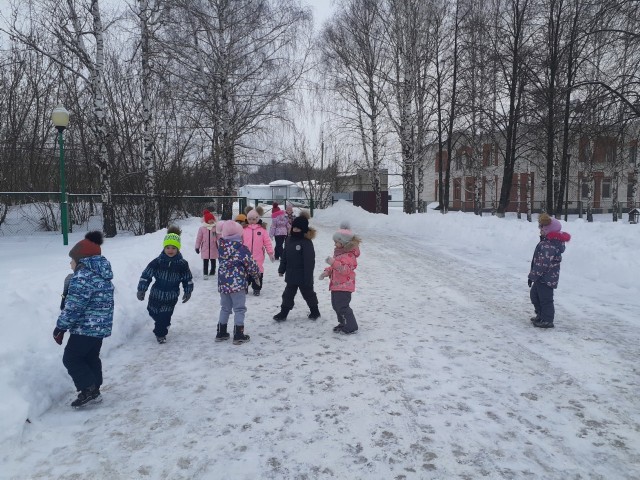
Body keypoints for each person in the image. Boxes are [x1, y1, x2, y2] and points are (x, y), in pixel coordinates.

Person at [53, 231, 114, 408]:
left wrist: (60, 327)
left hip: (85, 328)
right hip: (100, 327)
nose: (70, 263)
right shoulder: (102, 274)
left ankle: (88, 389)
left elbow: (74, 307)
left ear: (82, 260)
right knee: (90, 357)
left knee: (71, 358)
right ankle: (95, 390)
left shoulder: (82, 277)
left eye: (72, 260)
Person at [137, 226, 193, 343]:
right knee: (153, 312)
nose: (170, 250)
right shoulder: (157, 262)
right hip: (155, 295)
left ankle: (160, 334)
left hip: (171, 297)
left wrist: (188, 291)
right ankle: (163, 324)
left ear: (178, 249)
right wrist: (142, 289)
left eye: (173, 248)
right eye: (168, 247)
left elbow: (187, 279)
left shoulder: (182, 264)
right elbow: (146, 275)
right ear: (164, 248)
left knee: (164, 316)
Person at [216, 220, 261, 344]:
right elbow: (250, 264)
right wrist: (256, 275)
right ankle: (239, 334)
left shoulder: (221, 247)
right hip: (237, 284)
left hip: (223, 283)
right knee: (239, 308)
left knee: (225, 308)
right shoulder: (241, 249)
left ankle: (221, 332)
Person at [273, 211, 321, 321]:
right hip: (291, 275)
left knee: (308, 294)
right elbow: (285, 256)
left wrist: (308, 277)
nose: (295, 230)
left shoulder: (306, 242)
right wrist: (281, 269)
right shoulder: (289, 240)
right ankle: (283, 313)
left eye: (298, 228)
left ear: (303, 230)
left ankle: (315, 311)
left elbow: (309, 261)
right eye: (294, 227)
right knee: (287, 295)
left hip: (303, 276)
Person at [528, 213, 571, 328]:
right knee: (534, 296)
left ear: (548, 230)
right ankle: (541, 315)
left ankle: (547, 320)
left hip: (546, 278)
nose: (539, 230)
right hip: (540, 277)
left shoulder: (549, 246)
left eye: (541, 228)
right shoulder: (546, 242)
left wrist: (532, 276)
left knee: (545, 299)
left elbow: (542, 264)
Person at [319, 222, 361, 334]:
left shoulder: (349, 256)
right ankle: (343, 323)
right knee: (336, 306)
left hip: (344, 286)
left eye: (336, 242)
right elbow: (335, 267)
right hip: (336, 285)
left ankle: (351, 326)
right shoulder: (339, 253)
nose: (334, 244)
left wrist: (333, 262)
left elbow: (345, 270)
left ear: (343, 242)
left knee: (342, 306)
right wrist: (327, 271)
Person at [243, 208, 275, 296]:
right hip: (245, 256)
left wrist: (270, 253)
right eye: (249, 219)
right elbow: (239, 241)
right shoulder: (244, 229)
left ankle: (257, 288)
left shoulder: (262, 230)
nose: (251, 221)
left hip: (258, 256)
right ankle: (244, 287)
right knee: (245, 272)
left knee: (258, 272)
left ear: (257, 219)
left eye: (254, 219)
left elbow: (267, 242)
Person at [195, 209, 219, 280]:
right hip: (205, 247)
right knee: (205, 261)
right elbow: (199, 238)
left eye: (212, 219)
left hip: (213, 247)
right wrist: (197, 247)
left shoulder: (215, 228)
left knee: (213, 260)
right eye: (210, 219)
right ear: (206, 220)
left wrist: (221, 244)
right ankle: (205, 273)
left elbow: (219, 237)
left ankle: (212, 271)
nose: (211, 221)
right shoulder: (202, 229)